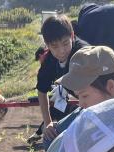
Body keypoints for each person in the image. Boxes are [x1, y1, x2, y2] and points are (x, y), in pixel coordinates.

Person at [35, 15, 89, 144]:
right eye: (55, 46)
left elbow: (99, 90)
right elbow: (42, 91)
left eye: (65, 43)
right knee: (49, 139)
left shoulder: (84, 54)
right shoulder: (49, 60)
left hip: (100, 104)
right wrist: (47, 123)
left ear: (72, 36)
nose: (61, 51)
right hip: (84, 105)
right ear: (47, 45)